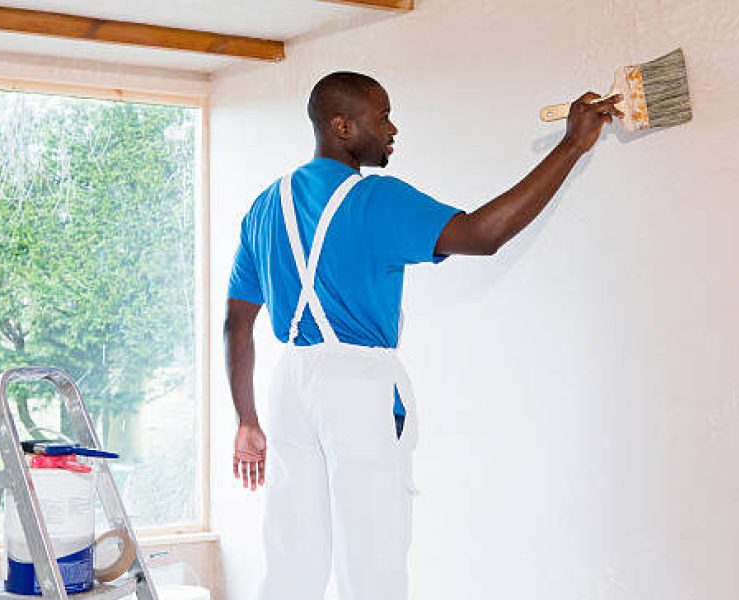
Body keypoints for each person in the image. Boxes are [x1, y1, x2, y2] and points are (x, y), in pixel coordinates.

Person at [224, 71, 622, 600]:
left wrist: (246, 419)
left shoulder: (265, 206)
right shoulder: (375, 199)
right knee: (373, 556)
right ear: (342, 127)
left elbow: (237, 324)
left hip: (288, 386)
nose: (393, 128)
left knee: (293, 552)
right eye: (382, 116)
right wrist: (572, 145)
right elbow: (482, 234)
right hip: (357, 384)